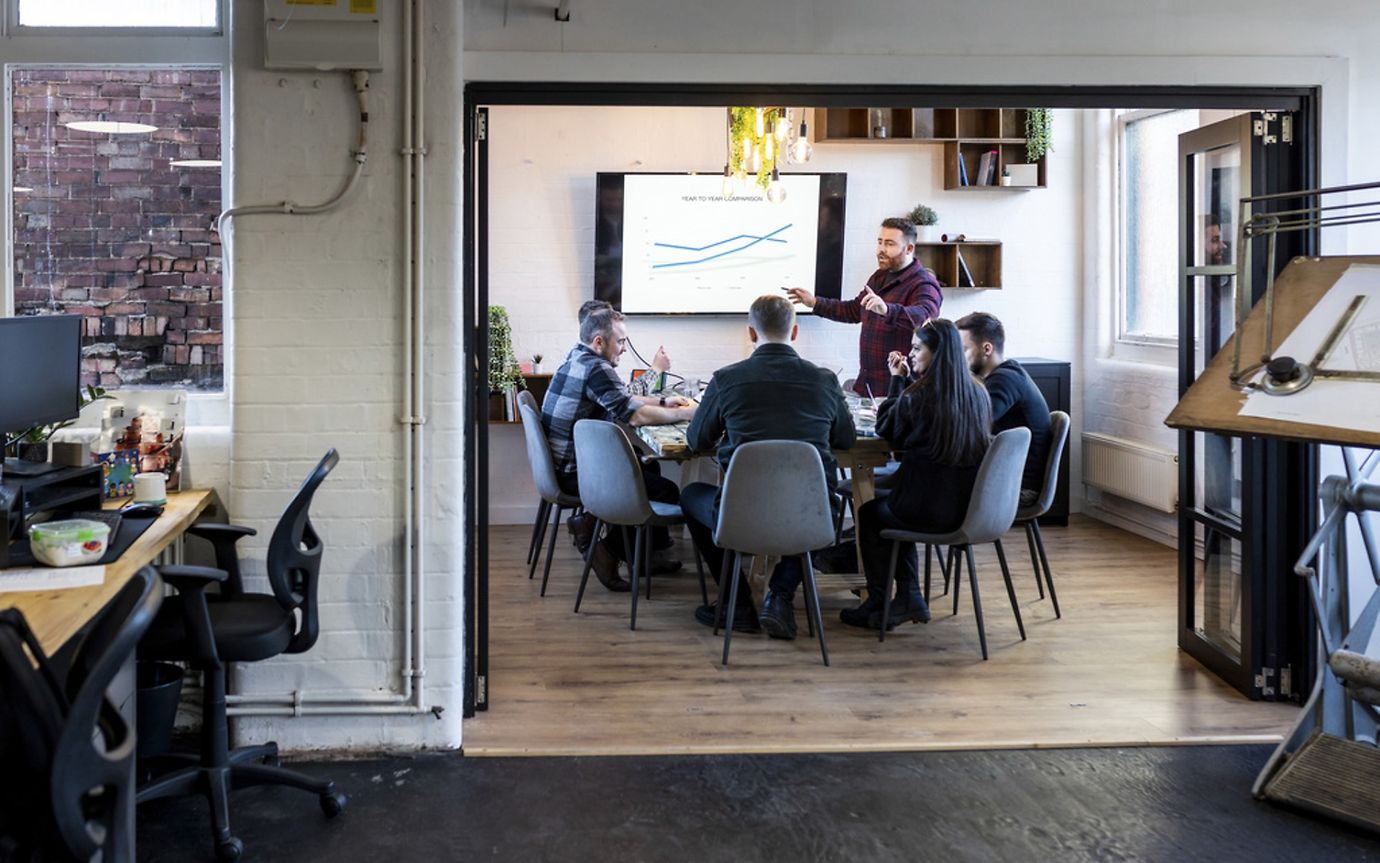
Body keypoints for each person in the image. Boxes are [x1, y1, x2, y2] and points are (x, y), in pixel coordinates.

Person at [682, 294, 855, 639]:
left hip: (741, 513)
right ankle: (780, 593)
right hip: (813, 513)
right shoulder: (824, 381)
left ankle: (738, 603)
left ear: (750, 333)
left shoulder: (726, 380)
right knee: (815, 507)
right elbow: (846, 439)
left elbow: (696, 441)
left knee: (690, 495)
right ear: (794, 332)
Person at [841, 319, 991, 631]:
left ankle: (879, 600)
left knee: (870, 511)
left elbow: (887, 431)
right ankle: (909, 595)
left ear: (935, 354)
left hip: (927, 509)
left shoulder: (918, 398)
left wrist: (898, 381)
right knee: (891, 504)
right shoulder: (978, 393)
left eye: (916, 348)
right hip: (969, 507)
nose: (910, 354)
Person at [542, 307, 696, 590]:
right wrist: (688, 414)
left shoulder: (576, 356)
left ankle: (645, 554)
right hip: (579, 473)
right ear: (599, 341)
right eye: (621, 341)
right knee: (667, 490)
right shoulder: (596, 368)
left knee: (649, 466)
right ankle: (609, 551)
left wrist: (663, 403)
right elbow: (634, 415)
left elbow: (622, 397)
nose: (624, 349)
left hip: (569, 464)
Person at [786, 217, 943, 398]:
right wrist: (814, 302)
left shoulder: (924, 283)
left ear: (909, 249)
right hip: (868, 386)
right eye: (880, 242)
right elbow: (853, 310)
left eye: (890, 244)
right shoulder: (879, 277)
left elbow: (925, 317)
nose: (881, 250)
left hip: (901, 390)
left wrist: (887, 310)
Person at [955, 312, 1051, 505]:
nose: (958, 358)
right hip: (1005, 478)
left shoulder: (1004, 380)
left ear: (987, 349)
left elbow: (971, 425)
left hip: (1018, 487)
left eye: (963, 350)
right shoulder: (999, 377)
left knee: (926, 485)